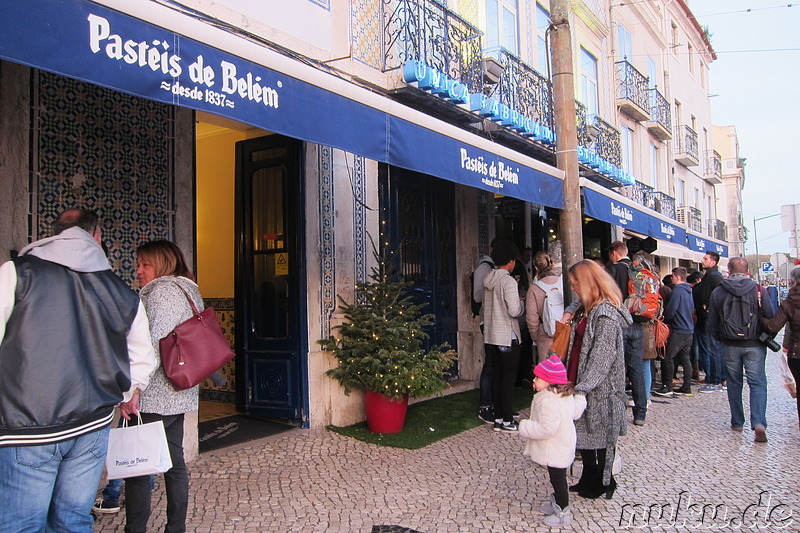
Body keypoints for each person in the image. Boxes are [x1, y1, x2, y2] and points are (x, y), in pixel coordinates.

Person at [0, 208, 156, 532]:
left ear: (53, 233)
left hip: (28, 426)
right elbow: (142, 358)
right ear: (96, 237)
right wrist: (125, 394)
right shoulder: (122, 292)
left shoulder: (17, 273)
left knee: (22, 524)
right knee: (73, 519)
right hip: (92, 426)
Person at [119, 240, 204, 532]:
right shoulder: (187, 288)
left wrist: (133, 392)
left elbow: (150, 349)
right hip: (178, 391)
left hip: (154, 395)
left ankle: (136, 529)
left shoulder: (161, 293)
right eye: (138, 264)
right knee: (173, 462)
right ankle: (175, 527)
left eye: (146, 264)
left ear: (163, 263)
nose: (139, 270)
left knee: (138, 468)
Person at [564, 260, 631, 500]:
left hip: (600, 385)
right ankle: (588, 477)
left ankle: (604, 481)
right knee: (585, 431)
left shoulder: (605, 314)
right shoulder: (587, 307)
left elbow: (603, 356)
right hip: (580, 375)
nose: (572, 287)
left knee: (600, 433)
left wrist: (583, 386)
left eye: (575, 283)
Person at [707, 257, 775, 443]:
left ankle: (737, 421)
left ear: (728, 270)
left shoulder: (719, 291)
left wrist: (719, 339)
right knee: (758, 383)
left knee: (734, 383)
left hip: (729, 344)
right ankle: (759, 422)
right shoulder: (758, 290)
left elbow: (712, 321)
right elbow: (770, 315)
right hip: (754, 344)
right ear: (747, 271)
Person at [519, 355, 587, 528]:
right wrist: (580, 399)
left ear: (549, 382)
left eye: (537, 378)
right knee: (557, 478)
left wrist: (525, 426)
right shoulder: (564, 397)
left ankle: (563, 512)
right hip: (563, 446)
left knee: (558, 481)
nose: (534, 380)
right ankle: (557, 503)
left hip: (555, 448)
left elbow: (546, 429)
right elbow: (576, 412)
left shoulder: (548, 401)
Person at [482, 239, 525, 432]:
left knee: (498, 377)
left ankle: (498, 417)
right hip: (507, 336)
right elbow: (514, 311)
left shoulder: (489, 279)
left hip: (492, 335)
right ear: (510, 260)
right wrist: (521, 303)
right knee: (508, 378)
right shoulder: (507, 281)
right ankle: (507, 419)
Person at [606, 241, 647, 426]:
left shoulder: (614, 269)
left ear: (614, 253)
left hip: (619, 323)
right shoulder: (638, 268)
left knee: (618, 368)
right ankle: (640, 413)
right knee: (637, 368)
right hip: (637, 324)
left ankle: (620, 411)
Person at [760, 267, 800, 428]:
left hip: (797, 353)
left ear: (793, 282)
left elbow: (773, 326)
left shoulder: (789, 301)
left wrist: (759, 318)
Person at [655, 267, 694, 397]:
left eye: (672, 276)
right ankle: (687, 386)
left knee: (667, 357)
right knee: (685, 358)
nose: (671, 279)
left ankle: (667, 386)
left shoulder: (677, 291)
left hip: (679, 329)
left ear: (677, 277)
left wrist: (665, 319)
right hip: (688, 329)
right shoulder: (689, 290)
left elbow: (672, 309)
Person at [474, 240, 498, 424]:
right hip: (487, 320)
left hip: (497, 320)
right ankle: (485, 406)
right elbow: (477, 295)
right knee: (490, 364)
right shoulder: (484, 268)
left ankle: (497, 403)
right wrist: (495, 289)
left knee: (497, 364)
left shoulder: (495, 268)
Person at [695, 251, 725, 393]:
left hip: (710, 317)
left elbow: (721, 293)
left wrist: (709, 305)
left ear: (713, 262)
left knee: (714, 349)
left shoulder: (715, 276)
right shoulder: (709, 276)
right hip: (706, 316)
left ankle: (717, 379)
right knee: (711, 348)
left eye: (705, 259)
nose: (703, 260)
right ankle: (713, 377)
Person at [526, 251, 563, 363]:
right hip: (564, 335)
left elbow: (532, 319)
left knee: (547, 374)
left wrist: (536, 337)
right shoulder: (562, 283)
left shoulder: (534, 289)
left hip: (545, 337)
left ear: (536, 268)